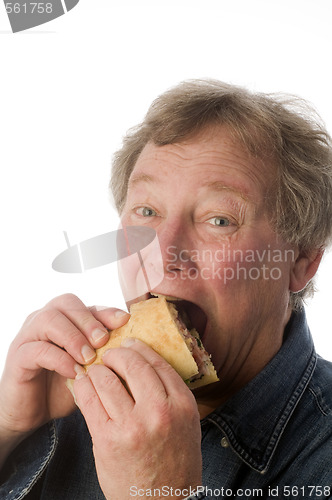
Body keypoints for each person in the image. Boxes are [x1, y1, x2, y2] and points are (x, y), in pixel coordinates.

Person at [0, 79, 332, 500]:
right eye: (147, 211)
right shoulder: (65, 400)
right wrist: (9, 428)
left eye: (219, 220)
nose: (164, 250)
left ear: (302, 261)